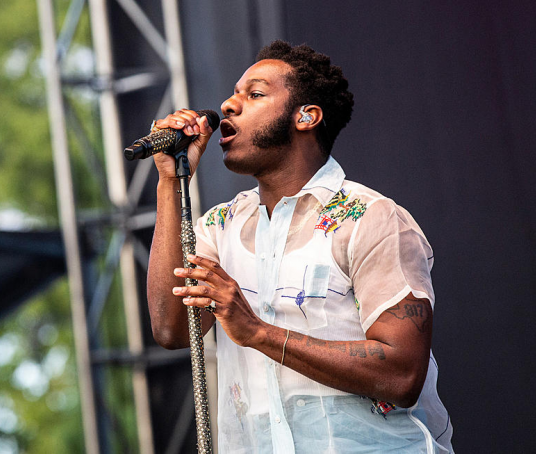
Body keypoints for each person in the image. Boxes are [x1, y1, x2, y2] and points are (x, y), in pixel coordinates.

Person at [146, 40, 453, 453]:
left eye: (254, 94)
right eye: (235, 94)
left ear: (306, 116)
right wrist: (170, 181)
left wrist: (256, 331)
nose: (228, 105)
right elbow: (172, 329)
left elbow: (402, 375)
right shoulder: (221, 226)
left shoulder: (370, 217)